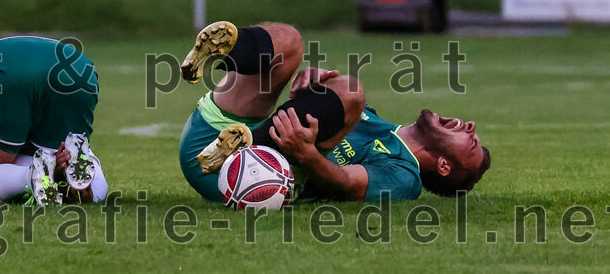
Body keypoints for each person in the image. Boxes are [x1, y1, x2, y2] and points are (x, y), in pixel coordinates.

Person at [178, 21, 491, 203]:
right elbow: (308, 117)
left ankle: (249, 142)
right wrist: (306, 91)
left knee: (350, 90)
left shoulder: (405, 177)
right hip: (210, 140)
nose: (471, 125)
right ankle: (232, 47)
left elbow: (346, 184)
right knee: (290, 42)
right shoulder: (376, 120)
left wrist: (307, 153)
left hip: (248, 179)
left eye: (472, 142)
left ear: (445, 166)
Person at [0, 36, 108, 205]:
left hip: (4, 64)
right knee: (66, 157)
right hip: (76, 68)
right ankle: (80, 184)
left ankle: (33, 175)